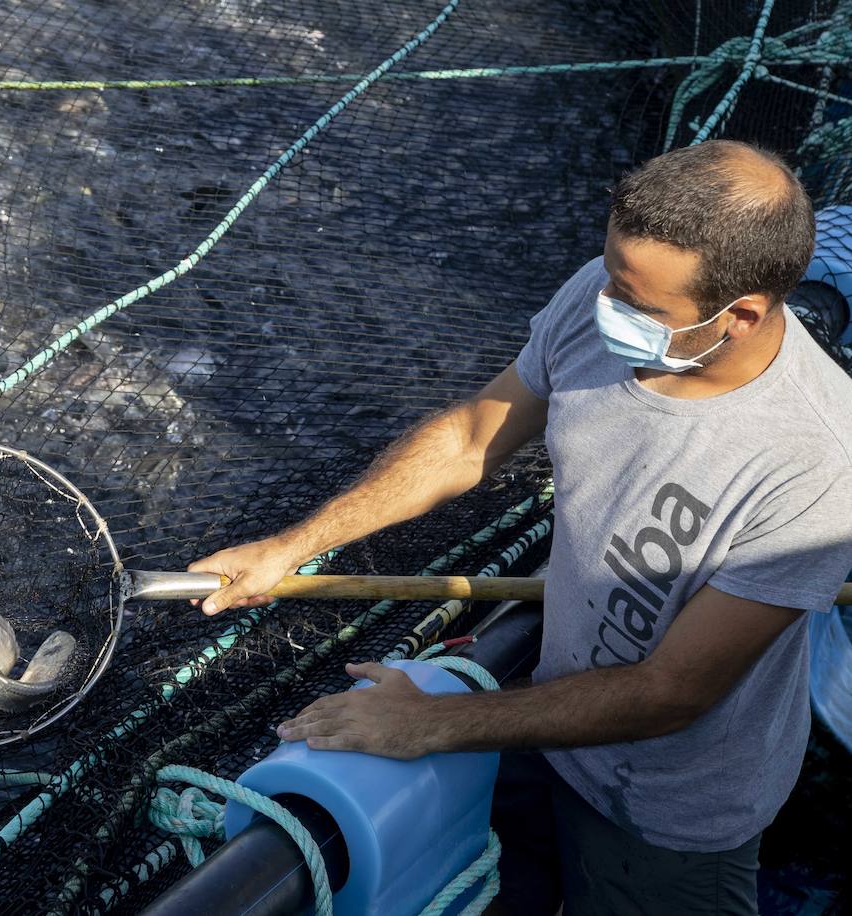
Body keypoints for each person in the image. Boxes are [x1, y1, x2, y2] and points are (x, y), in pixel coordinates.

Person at [187, 139, 852, 914]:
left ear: (738, 316)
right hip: (546, 717)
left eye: (639, 305)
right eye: (611, 277)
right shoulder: (603, 298)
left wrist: (428, 725)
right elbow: (473, 438)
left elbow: (674, 692)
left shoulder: (819, 466)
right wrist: (291, 547)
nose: (607, 309)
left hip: (667, 808)